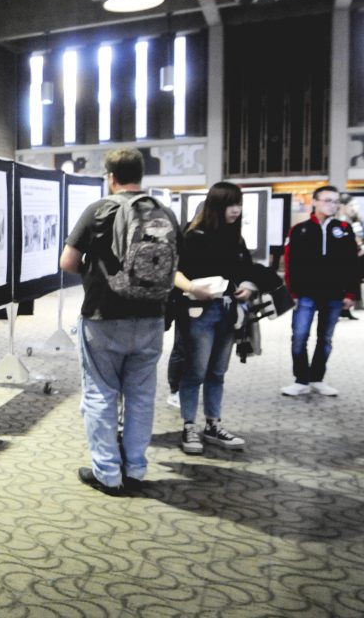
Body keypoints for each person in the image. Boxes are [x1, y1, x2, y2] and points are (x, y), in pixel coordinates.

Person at [59, 148, 181, 496]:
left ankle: (108, 473)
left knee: (101, 393)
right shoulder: (165, 214)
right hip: (151, 318)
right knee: (141, 397)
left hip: (103, 316)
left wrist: (96, 272)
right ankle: (136, 469)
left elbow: (68, 261)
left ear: (110, 177)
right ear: (142, 175)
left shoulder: (99, 210)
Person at [171, 182, 253, 454]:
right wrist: (193, 288)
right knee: (195, 371)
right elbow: (175, 271)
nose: (237, 210)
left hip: (228, 312)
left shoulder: (236, 238)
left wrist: (247, 287)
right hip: (198, 313)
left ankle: (213, 424)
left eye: (239, 204)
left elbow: (245, 270)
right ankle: (189, 426)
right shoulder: (193, 236)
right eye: (232, 204)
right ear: (218, 205)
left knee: (217, 372)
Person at [281, 186, 360, 397]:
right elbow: (290, 262)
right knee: (299, 336)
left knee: (325, 339)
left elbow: (353, 263)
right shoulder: (300, 229)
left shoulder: (344, 229)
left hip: (334, 294)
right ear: (314, 202)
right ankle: (301, 380)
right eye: (327, 200)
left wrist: (351, 293)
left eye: (335, 202)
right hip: (305, 294)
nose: (332, 205)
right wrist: (292, 293)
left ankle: (317, 379)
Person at [336, 193, 363, 320]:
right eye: (352, 205)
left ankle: (347, 309)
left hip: (356, 256)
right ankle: (340, 309)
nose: (355, 208)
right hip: (342, 259)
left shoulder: (355, 220)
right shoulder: (339, 221)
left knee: (352, 282)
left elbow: (360, 236)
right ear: (343, 206)